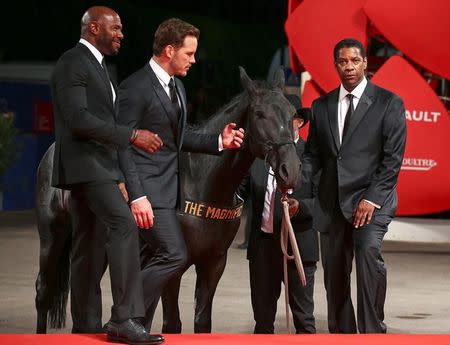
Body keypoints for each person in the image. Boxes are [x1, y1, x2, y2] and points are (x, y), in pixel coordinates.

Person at [117, 18, 244, 330]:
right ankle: (122, 317)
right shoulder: (135, 87)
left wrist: (219, 141)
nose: (193, 59)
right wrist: (137, 196)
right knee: (175, 254)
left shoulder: (177, 87)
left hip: (168, 191)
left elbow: (179, 136)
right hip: (146, 192)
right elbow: (120, 145)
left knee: (156, 260)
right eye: (189, 53)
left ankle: (134, 326)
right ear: (169, 50)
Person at [51, 6, 165, 344]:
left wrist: (118, 173)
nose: (121, 35)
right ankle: (125, 318)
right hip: (85, 167)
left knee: (89, 245)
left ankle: (86, 325)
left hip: (99, 167)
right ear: (94, 27)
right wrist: (131, 136)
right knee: (124, 224)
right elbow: (78, 120)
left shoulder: (99, 67)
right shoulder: (73, 62)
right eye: (115, 28)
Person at [301, 38, 407, 333]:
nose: (349, 66)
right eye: (342, 61)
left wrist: (371, 198)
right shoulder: (321, 107)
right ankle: (342, 334)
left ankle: (372, 331)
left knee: (367, 253)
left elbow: (392, 160)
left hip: (372, 201)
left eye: (354, 61)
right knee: (334, 274)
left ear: (365, 63)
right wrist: (295, 182)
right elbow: (313, 156)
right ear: (336, 65)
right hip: (332, 202)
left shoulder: (389, 103)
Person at [237, 94, 319, 334]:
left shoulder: (312, 156)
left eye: (286, 117)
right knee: (262, 322)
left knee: (304, 321)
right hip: (262, 248)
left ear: (299, 122)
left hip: (299, 248)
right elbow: (239, 191)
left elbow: (324, 204)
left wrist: (300, 207)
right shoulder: (257, 155)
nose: (279, 123)